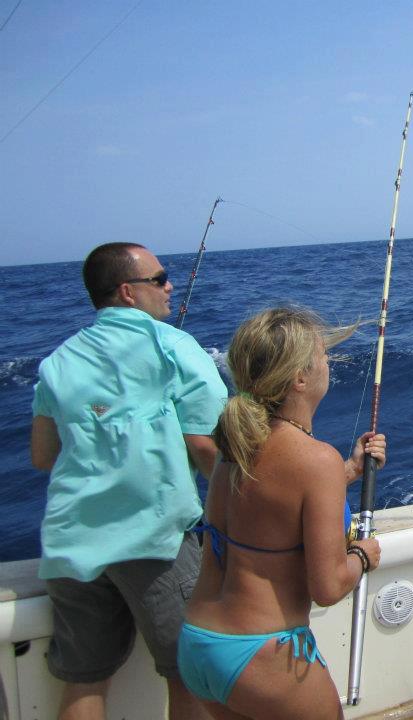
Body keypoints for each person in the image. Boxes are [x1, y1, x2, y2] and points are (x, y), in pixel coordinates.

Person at [30, 242, 228, 720]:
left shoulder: (58, 361)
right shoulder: (174, 346)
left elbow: (42, 456)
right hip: (154, 544)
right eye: (159, 279)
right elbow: (208, 448)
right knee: (190, 677)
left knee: (84, 683)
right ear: (127, 292)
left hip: (71, 544)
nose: (170, 286)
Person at [176, 307, 385, 720]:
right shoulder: (314, 460)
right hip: (262, 653)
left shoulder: (232, 447)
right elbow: (327, 587)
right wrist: (364, 555)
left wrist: (349, 471)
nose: (329, 362)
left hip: (199, 645)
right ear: (300, 379)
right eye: (322, 355)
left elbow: (267, 503)